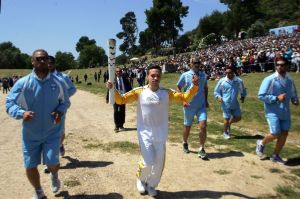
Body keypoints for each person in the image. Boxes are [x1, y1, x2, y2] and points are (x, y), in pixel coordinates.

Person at [106, 65, 199, 197]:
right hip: (144, 133)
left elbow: (185, 97)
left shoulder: (167, 93)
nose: (155, 78)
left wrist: (194, 87)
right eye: (152, 75)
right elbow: (121, 100)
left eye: (158, 76)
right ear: (147, 76)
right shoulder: (139, 91)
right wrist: (112, 89)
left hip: (161, 133)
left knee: (159, 162)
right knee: (148, 161)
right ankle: (141, 179)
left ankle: (151, 184)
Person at [6, 49, 71, 199]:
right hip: (31, 133)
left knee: (52, 162)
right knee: (30, 165)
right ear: (32, 61)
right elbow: (9, 103)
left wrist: (59, 111)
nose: (42, 61)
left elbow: (65, 102)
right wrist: (21, 113)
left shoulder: (58, 82)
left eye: (45, 58)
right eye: (39, 59)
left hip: (52, 132)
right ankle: (38, 191)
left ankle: (54, 174)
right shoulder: (23, 83)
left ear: (48, 60)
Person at [256, 56, 298, 164]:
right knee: (275, 134)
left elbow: (293, 93)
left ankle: (275, 155)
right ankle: (261, 143)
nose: (279, 66)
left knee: (284, 133)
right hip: (272, 111)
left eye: (282, 65)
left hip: (285, 112)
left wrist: (295, 100)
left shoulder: (290, 80)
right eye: (277, 64)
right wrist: (276, 98)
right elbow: (261, 95)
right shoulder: (270, 79)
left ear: (287, 66)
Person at [176, 55, 209, 159]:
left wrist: (206, 100)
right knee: (187, 127)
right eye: (195, 63)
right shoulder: (185, 75)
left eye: (198, 62)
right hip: (189, 105)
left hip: (201, 106)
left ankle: (202, 148)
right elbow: (178, 87)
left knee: (203, 126)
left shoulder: (203, 75)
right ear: (190, 64)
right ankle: (185, 142)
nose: (197, 64)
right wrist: (183, 100)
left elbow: (205, 88)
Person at [48, 56, 76, 156]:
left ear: (54, 64)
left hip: (60, 109)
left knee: (60, 131)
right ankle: (49, 161)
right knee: (47, 134)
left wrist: (63, 96)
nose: (49, 64)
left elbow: (73, 89)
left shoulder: (63, 77)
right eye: (47, 62)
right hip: (45, 110)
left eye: (51, 62)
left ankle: (60, 144)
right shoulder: (41, 77)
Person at [214, 66, 247, 139]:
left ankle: (229, 124)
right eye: (226, 73)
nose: (228, 74)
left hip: (235, 103)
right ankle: (225, 132)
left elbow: (242, 90)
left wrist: (243, 97)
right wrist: (218, 97)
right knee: (226, 118)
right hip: (225, 103)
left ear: (233, 72)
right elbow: (216, 91)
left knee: (238, 117)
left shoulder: (238, 81)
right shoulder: (222, 81)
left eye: (230, 72)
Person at [107, 67, 132, 132]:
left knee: (122, 111)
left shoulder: (125, 79)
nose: (119, 72)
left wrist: (130, 95)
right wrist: (108, 97)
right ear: (115, 72)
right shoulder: (113, 79)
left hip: (123, 97)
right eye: (117, 71)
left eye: (120, 71)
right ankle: (116, 126)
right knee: (116, 111)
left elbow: (129, 87)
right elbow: (109, 89)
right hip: (115, 97)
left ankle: (121, 125)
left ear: (122, 72)